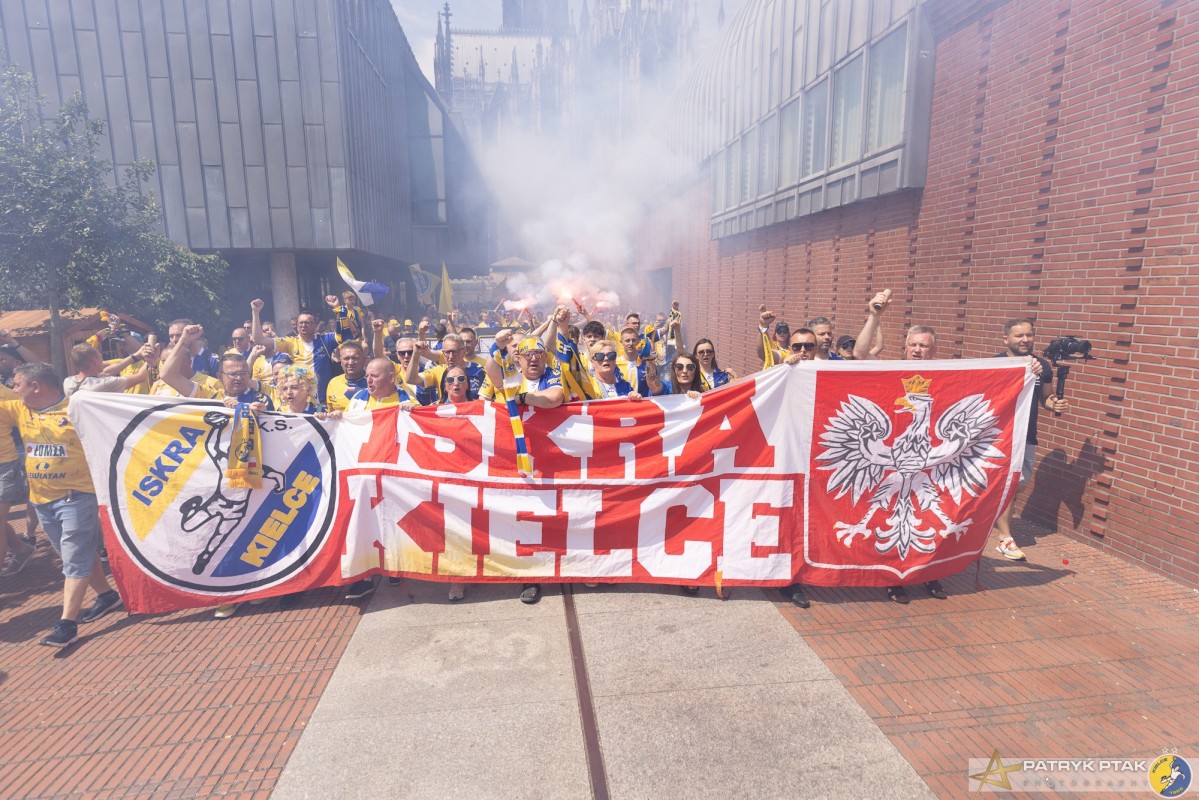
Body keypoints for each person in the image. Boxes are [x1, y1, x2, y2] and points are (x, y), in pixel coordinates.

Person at [0, 363, 121, 646]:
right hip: (42, 501)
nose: (13, 389)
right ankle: (107, 596)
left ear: (35, 386)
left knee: (74, 558)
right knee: (77, 555)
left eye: (17, 384)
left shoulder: (78, 409)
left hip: (77, 497)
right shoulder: (19, 409)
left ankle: (67, 624)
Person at [849, 290, 949, 602]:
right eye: (913, 345)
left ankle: (929, 575)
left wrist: (1029, 369)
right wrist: (874, 315)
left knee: (929, 518)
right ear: (904, 347)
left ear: (933, 350)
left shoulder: (948, 375)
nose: (917, 350)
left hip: (930, 467)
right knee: (888, 514)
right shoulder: (888, 370)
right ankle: (892, 578)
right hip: (892, 465)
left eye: (924, 346)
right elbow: (859, 355)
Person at [991, 318, 1068, 560]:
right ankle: (1005, 538)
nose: (1025, 340)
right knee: (1009, 485)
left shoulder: (1042, 366)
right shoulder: (996, 364)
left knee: (1019, 485)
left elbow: (1045, 398)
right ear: (1006, 339)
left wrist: (1054, 403)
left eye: (1029, 335)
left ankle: (992, 519)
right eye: (1019, 336)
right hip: (1001, 436)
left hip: (1027, 435)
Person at [251, 298, 345, 403]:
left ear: (315, 325)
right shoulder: (290, 343)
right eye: (301, 323)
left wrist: (337, 308)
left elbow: (344, 334)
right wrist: (255, 312)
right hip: (301, 401)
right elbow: (258, 339)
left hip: (323, 400)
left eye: (307, 323)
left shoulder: (325, 340)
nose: (303, 325)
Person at [63, 343, 153, 396]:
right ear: (95, 361)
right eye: (100, 357)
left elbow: (106, 373)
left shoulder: (68, 382)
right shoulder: (104, 384)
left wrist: (136, 355)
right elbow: (141, 377)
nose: (103, 360)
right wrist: (151, 358)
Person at [324, 340, 368, 412]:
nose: (350, 363)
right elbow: (330, 413)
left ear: (364, 360)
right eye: (346, 358)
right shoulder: (334, 383)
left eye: (355, 358)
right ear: (341, 361)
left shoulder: (372, 382)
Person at [755, 304, 791, 369]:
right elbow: (761, 351)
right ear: (775, 334)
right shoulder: (772, 345)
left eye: (784, 331)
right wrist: (763, 325)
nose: (782, 333)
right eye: (779, 331)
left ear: (788, 333)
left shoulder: (791, 349)